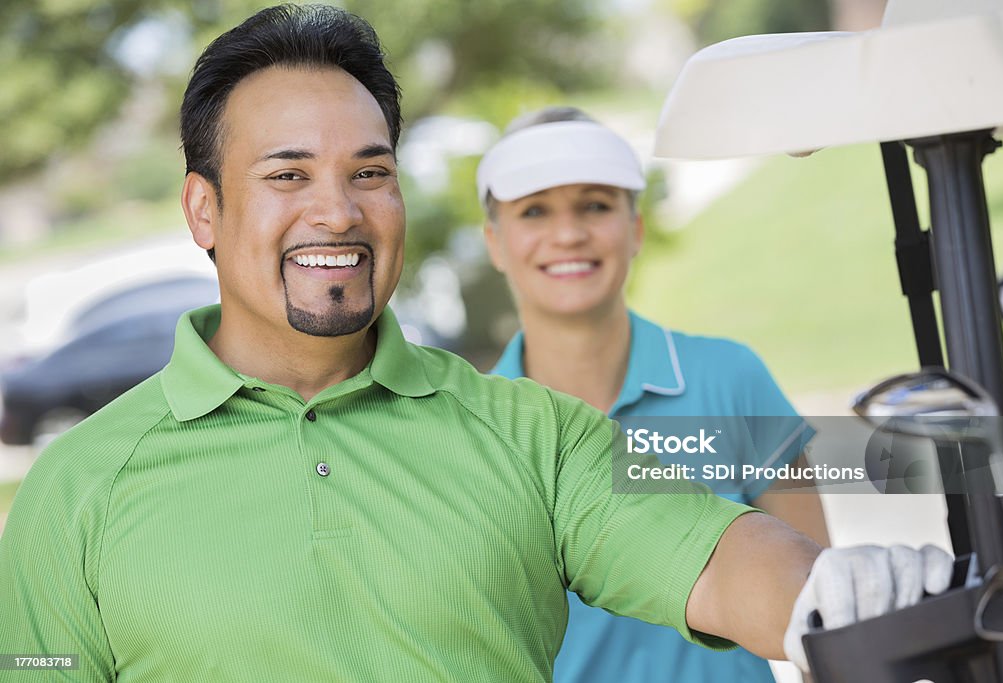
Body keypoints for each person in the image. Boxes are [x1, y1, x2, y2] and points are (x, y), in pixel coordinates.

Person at [0, 5, 949, 681]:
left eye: (369, 171)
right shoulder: (75, 489)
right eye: (288, 174)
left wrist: (830, 589)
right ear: (204, 208)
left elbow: (717, 551)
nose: (338, 207)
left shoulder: (536, 432)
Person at [479, 106, 831, 682]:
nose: (568, 234)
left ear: (635, 227)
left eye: (595, 205)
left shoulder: (731, 377)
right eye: (535, 210)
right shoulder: (475, 427)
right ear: (495, 242)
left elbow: (825, 611)